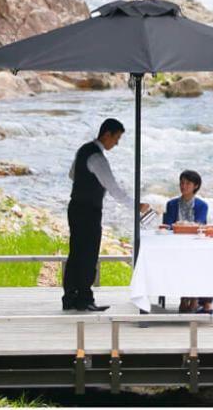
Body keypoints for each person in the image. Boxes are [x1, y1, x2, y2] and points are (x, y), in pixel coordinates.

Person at [62, 117, 149, 312]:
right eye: (116, 138)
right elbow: (114, 189)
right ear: (106, 134)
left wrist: (86, 183)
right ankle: (84, 298)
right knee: (88, 255)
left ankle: (70, 297)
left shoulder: (83, 150)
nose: (116, 143)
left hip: (75, 206)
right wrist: (136, 206)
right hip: (89, 211)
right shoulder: (97, 158)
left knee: (76, 253)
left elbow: (72, 175)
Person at [162, 170, 211, 313]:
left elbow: (200, 224)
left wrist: (182, 225)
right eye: (181, 183)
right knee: (182, 260)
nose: (183, 186)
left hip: (195, 243)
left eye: (187, 183)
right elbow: (168, 225)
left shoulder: (202, 205)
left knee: (197, 261)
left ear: (196, 186)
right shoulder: (171, 204)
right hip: (175, 244)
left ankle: (194, 298)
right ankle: (185, 297)